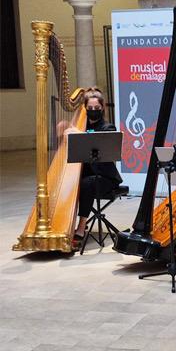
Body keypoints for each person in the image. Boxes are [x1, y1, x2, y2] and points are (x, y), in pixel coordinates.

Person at [67, 88, 122, 246]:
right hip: (86, 176)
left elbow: (104, 156)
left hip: (105, 179)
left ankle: (81, 227)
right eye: (89, 109)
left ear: (102, 108)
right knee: (73, 184)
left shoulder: (107, 128)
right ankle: (62, 225)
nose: (93, 111)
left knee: (87, 183)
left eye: (96, 109)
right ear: (84, 108)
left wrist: (79, 135)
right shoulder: (79, 127)